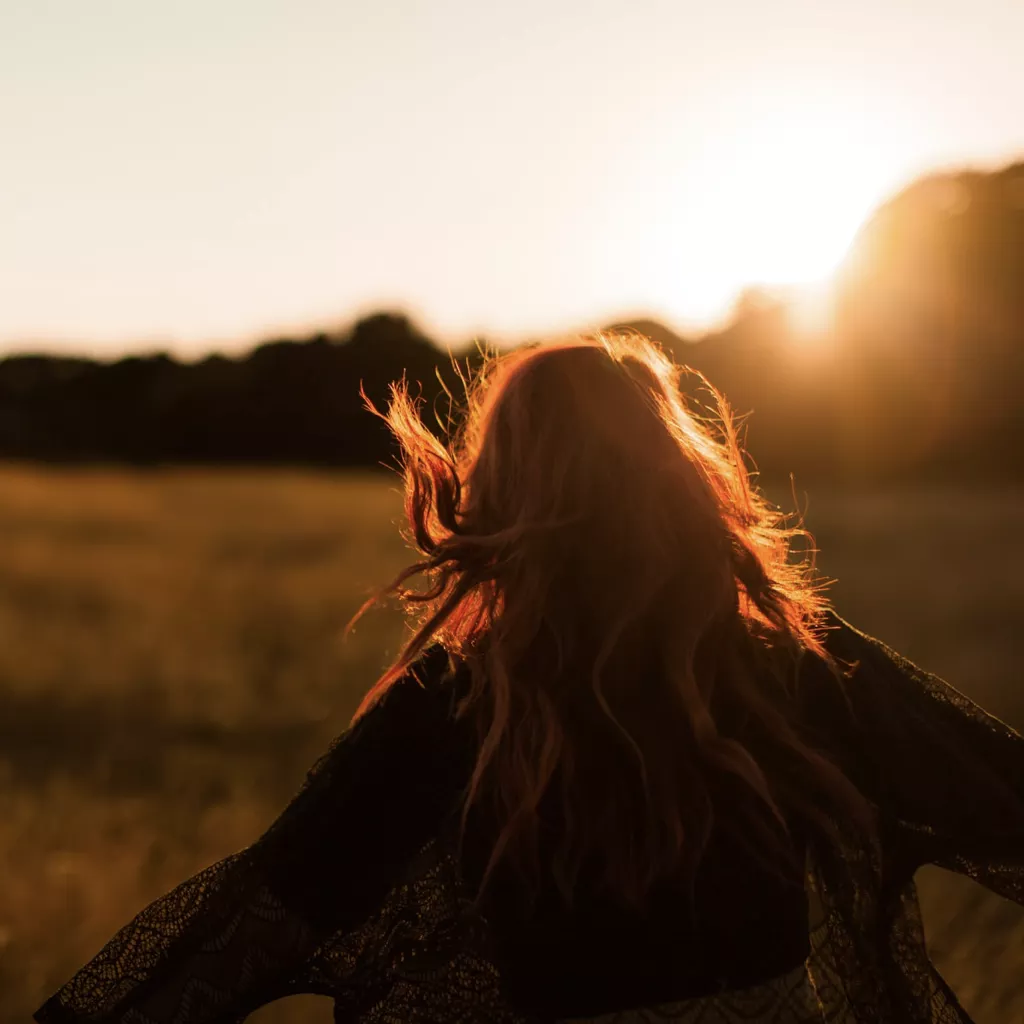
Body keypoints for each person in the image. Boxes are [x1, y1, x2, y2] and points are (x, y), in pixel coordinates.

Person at [35, 333, 1024, 1024]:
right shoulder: (787, 665)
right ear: (678, 478)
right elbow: (1000, 797)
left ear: (503, 488)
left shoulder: (454, 705)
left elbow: (246, 922)